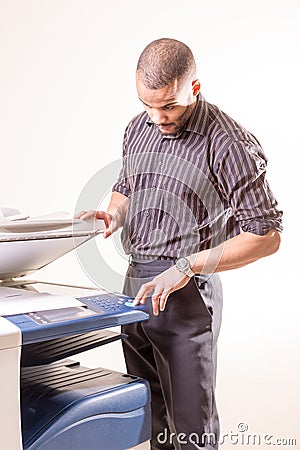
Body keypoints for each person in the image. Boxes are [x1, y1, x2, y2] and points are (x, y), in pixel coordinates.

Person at [77, 38, 282, 450]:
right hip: (135, 287)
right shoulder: (138, 127)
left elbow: (266, 236)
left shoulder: (228, 143)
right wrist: (113, 214)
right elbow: (127, 184)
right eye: (147, 104)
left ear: (195, 88)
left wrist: (186, 266)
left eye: (169, 106)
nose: (157, 117)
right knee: (154, 422)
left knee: (192, 432)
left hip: (188, 292)